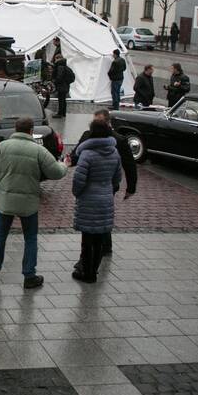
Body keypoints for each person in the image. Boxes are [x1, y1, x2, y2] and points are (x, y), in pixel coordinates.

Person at [0, 117, 68, 287]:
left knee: (0, 235)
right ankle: (29, 276)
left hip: (5, 200)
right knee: (30, 238)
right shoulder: (38, 151)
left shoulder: (1, 147)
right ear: (31, 131)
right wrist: (65, 164)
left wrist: (2, 186)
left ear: (16, 129)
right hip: (28, 203)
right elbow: (56, 173)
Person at [69, 109, 136, 263]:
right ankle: (98, 252)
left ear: (107, 122)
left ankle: (94, 255)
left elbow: (128, 164)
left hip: (99, 189)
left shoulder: (118, 140)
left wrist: (131, 187)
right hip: (103, 189)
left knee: (98, 220)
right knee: (101, 218)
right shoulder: (88, 137)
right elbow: (75, 156)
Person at [71, 120, 122, 283]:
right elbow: (117, 177)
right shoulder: (114, 152)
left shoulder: (87, 154)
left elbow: (79, 179)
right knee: (100, 238)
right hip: (106, 199)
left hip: (88, 200)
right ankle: (94, 270)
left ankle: (87, 273)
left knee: (87, 240)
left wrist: (77, 193)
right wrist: (109, 189)